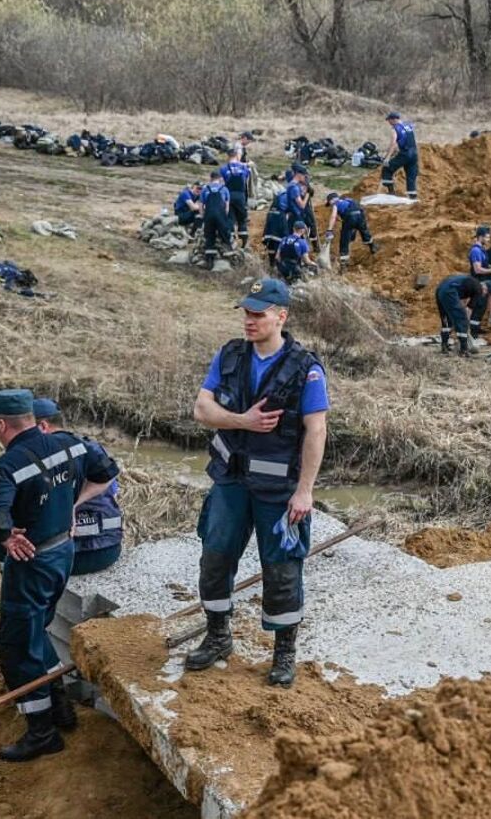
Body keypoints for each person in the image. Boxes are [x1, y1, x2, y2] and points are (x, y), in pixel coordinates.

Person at [188, 279, 328, 688]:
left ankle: (284, 653)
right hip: (230, 480)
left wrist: (305, 491)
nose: (249, 321)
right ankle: (217, 636)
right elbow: (202, 408)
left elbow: (316, 431)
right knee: (215, 558)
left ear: (280, 317)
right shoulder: (230, 355)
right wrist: (241, 421)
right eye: (246, 313)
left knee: (282, 569)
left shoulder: (306, 369)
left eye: (258, 314)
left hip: (279, 489)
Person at [0, 389, 117, 760]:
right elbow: (107, 471)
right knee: (37, 631)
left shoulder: (8, 465)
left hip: (33, 562)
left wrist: (7, 536)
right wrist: (72, 505)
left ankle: (42, 732)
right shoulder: (71, 444)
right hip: (63, 553)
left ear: (1, 424)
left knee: (16, 647)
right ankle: (59, 704)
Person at [32, 400, 123, 576]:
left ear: (43, 426)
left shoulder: (42, 455)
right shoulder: (91, 447)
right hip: (110, 548)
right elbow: (113, 486)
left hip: (70, 556)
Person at [323, 191, 378, 265]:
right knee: (365, 232)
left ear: (331, 200)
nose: (330, 205)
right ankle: (373, 247)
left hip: (349, 219)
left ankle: (344, 264)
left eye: (329, 204)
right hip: (360, 216)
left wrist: (329, 230)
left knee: (344, 241)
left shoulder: (335, 205)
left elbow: (333, 217)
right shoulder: (350, 200)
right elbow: (359, 209)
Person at [435, 274, 484, 354]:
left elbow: (461, 302)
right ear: (485, 289)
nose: (483, 295)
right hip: (450, 290)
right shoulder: (479, 290)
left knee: (446, 319)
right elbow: (468, 310)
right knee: (462, 319)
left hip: (440, 288)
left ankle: (444, 345)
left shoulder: (470, 283)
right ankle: (464, 349)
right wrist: (465, 323)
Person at [468, 225, 491, 336]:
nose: (488, 239)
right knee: (478, 305)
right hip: (479, 281)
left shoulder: (482, 250)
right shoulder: (476, 251)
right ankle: (472, 329)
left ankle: (475, 327)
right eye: (486, 237)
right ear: (480, 237)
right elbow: (477, 269)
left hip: (485, 280)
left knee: (481, 305)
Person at [380, 112, 419, 201]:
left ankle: (391, 192)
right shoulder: (409, 126)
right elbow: (407, 137)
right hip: (414, 154)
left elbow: (393, 143)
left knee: (387, 168)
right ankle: (412, 198)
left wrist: (387, 157)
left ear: (394, 119)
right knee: (411, 175)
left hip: (405, 154)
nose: (389, 123)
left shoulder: (395, 129)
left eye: (389, 120)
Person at [200, 171, 233, 270]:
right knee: (224, 234)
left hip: (209, 215)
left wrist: (203, 216)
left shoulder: (205, 189)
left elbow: (201, 205)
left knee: (209, 237)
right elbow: (227, 207)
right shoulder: (224, 189)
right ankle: (228, 253)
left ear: (210, 178)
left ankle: (209, 261)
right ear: (220, 179)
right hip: (220, 215)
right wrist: (224, 218)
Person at [220, 152, 253, 250]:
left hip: (229, 195)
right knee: (242, 219)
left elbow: (222, 184)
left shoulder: (223, 168)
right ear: (237, 156)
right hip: (241, 195)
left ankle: (231, 240)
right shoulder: (244, 168)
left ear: (228, 157)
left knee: (230, 217)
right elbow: (246, 179)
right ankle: (244, 241)